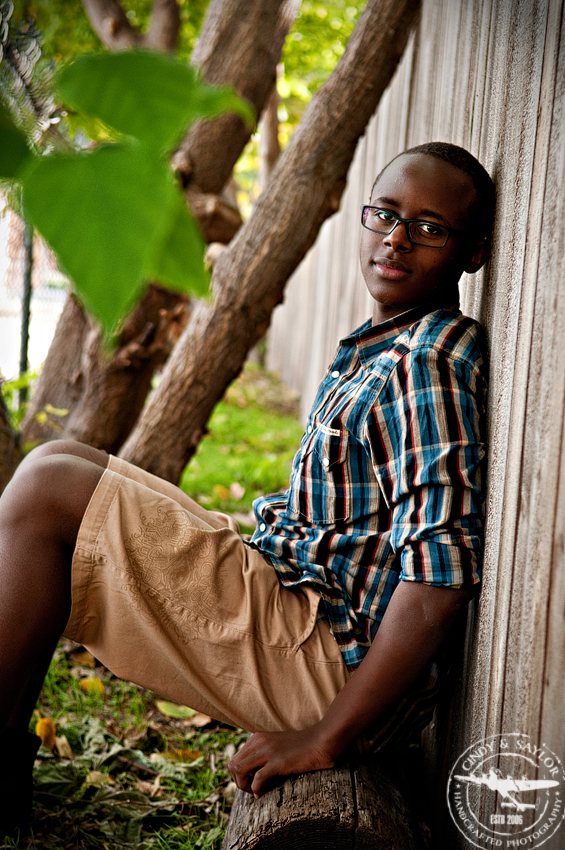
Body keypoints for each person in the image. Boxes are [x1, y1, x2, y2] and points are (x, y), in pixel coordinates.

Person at [0, 142, 494, 835]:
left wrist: (324, 737)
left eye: (429, 228)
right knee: (59, 461)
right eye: (384, 214)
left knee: (47, 488)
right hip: (305, 610)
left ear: (471, 253)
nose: (395, 238)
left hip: (328, 668)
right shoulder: (393, 341)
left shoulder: (428, 363)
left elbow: (437, 581)